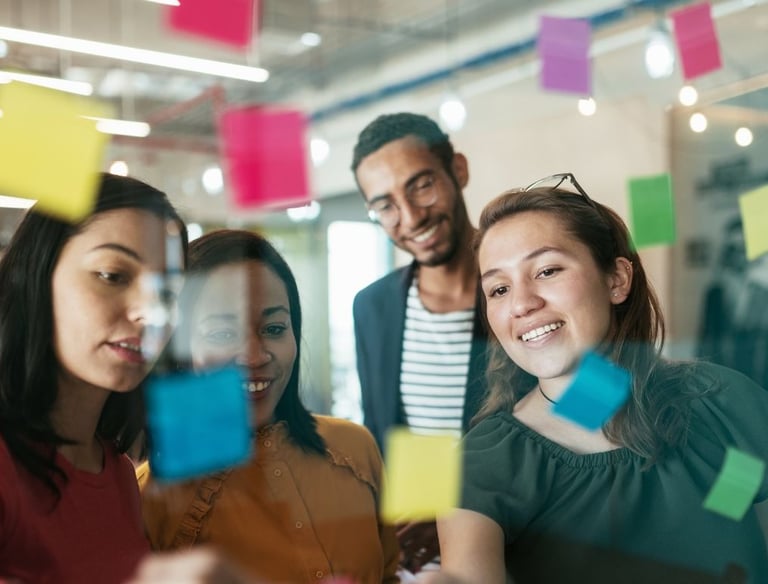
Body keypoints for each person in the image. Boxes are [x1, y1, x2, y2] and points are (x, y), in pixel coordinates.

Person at [430, 174, 768, 583]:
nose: (522, 303)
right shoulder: (487, 465)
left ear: (617, 280)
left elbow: (734, 519)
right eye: (498, 289)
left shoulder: (724, 404)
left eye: (547, 270)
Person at [141, 229, 400, 584]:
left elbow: (389, 575)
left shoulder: (356, 448)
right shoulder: (149, 497)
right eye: (222, 334)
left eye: (274, 328)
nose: (254, 355)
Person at [0, 173, 188, 584]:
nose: (151, 313)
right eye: (112, 275)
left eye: (169, 293)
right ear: (37, 275)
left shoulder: (118, 471)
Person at [351, 113, 489, 573]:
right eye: (385, 206)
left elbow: (587, 416)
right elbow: (384, 434)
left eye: (422, 185)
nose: (409, 217)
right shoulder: (373, 307)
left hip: (524, 550)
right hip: (419, 561)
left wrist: (457, 513)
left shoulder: (519, 291)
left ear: (460, 171)